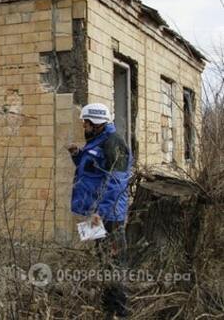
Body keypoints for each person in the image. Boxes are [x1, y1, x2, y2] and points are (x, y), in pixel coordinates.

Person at [67, 103, 133, 319]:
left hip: (109, 216)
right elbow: (93, 169)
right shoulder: (98, 140)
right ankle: (108, 310)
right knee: (102, 261)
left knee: (114, 264)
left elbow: (117, 181)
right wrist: (77, 154)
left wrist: (101, 213)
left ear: (95, 123)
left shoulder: (114, 143)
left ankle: (120, 312)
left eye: (85, 122)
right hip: (99, 213)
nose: (83, 126)